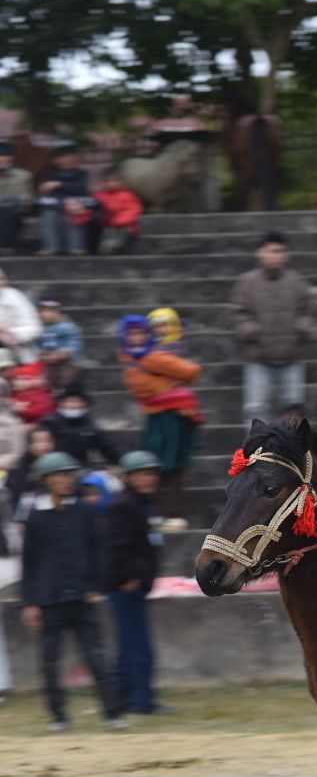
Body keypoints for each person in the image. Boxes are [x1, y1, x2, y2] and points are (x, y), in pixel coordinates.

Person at [21, 452, 125, 732]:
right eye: (60, 475)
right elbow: (29, 562)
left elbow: (99, 551)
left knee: (97, 658)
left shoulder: (83, 512)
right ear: (46, 481)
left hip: (81, 597)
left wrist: (95, 584)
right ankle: (59, 717)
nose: (67, 480)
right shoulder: (36, 518)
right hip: (49, 601)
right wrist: (29, 603)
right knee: (50, 662)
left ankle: (113, 714)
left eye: (69, 475)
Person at [119, 313, 201, 531]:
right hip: (157, 416)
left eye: (140, 333)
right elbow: (139, 388)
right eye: (132, 334)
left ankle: (175, 513)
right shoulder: (131, 360)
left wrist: (159, 387)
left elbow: (191, 371)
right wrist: (163, 386)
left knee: (173, 464)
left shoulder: (152, 357)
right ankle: (158, 512)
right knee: (154, 464)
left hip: (173, 416)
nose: (136, 338)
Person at [105, 450, 172, 717]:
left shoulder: (143, 503)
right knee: (139, 648)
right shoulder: (124, 505)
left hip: (136, 585)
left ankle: (121, 698)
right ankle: (142, 701)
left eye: (152, 473)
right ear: (129, 477)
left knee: (128, 646)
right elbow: (115, 547)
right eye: (143, 474)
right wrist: (125, 579)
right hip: (126, 588)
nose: (149, 479)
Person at [232, 230, 312, 425]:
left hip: (291, 356)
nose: (278, 255)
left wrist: (301, 329)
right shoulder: (248, 283)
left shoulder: (296, 281)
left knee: (294, 411)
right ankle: (256, 452)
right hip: (259, 357)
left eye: (282, 251)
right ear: (261, 253)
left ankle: (292, 453)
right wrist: (252, 331)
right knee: (255, 410)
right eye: (273, 251)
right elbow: (239, 312)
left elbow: (307, 310)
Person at [35, 142, 92, 256]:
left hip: (77, 205)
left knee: (75, 213)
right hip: (55, 206)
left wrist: (58, 185)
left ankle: (77, 248)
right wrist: (62, 201)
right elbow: (46, 195)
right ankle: (51, 248)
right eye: (64, 156)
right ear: (55, 159)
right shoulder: (48, 175)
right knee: (49, 214)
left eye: (72, 155)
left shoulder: (82, 174)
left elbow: (81, 189)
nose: (69, 159)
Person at [40, 384, 119, 467]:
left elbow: (109, 447)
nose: (75, 405)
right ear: (62, 403)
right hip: (52, 466)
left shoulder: (89, 425)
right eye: (71, 401)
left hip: (79, 467)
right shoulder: (49, 422)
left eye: (79, 402)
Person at [37, 299, 82, 391]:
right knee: (47, 381)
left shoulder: (67, 326)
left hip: (64, 361)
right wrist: (41, 353)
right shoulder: (40, 328)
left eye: (50, 311)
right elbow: (37, 342)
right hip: (47, 362)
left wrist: (65, 352)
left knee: (66, 379)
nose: (46, 314)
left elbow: (73, 341)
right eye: (43, 311)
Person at [94, 172, 144, 254]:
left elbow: (133, 210)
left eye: (114, 181)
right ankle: (109, 246)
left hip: (124, 226)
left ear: (121, 182)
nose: (111, 184)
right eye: (108, 181)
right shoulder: (98, 196)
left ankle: (115, 246)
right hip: (105, 226)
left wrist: (118, 221)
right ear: (103, 183)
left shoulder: (128, 195)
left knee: (127, 230)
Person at [0, 142, 34, 254]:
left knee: (8, 213)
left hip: (13, 215)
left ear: (12, 158)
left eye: (6, 155)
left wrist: (12, 202)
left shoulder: (24, 176)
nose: (3, 159)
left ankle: (5, 247)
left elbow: (28, 200)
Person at [0, 266, 42, 355]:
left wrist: (8, 332)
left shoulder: (15, 297)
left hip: (15, 352)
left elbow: (34, 328)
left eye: (2, 279)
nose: (1, 283)